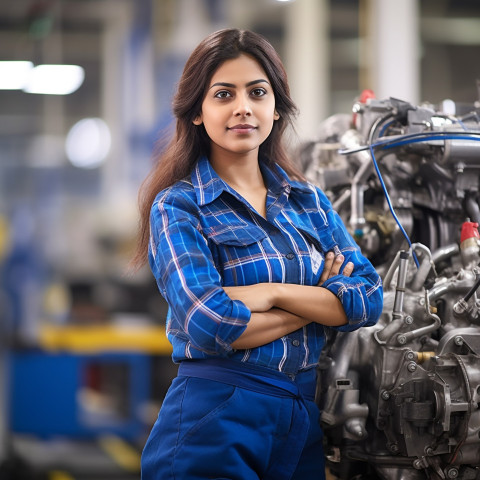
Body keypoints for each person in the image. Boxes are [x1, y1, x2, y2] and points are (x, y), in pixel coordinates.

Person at [131, 28, 383, 480]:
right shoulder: (179, 206)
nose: (243, 107)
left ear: (276, 107)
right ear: (196, 112)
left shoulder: (308, 202)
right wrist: (320, 302)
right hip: (216, 416)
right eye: (224, 94)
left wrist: (268, 294)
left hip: (301, 419)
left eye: (257, 92)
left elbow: (367, 298)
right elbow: (211, 322)